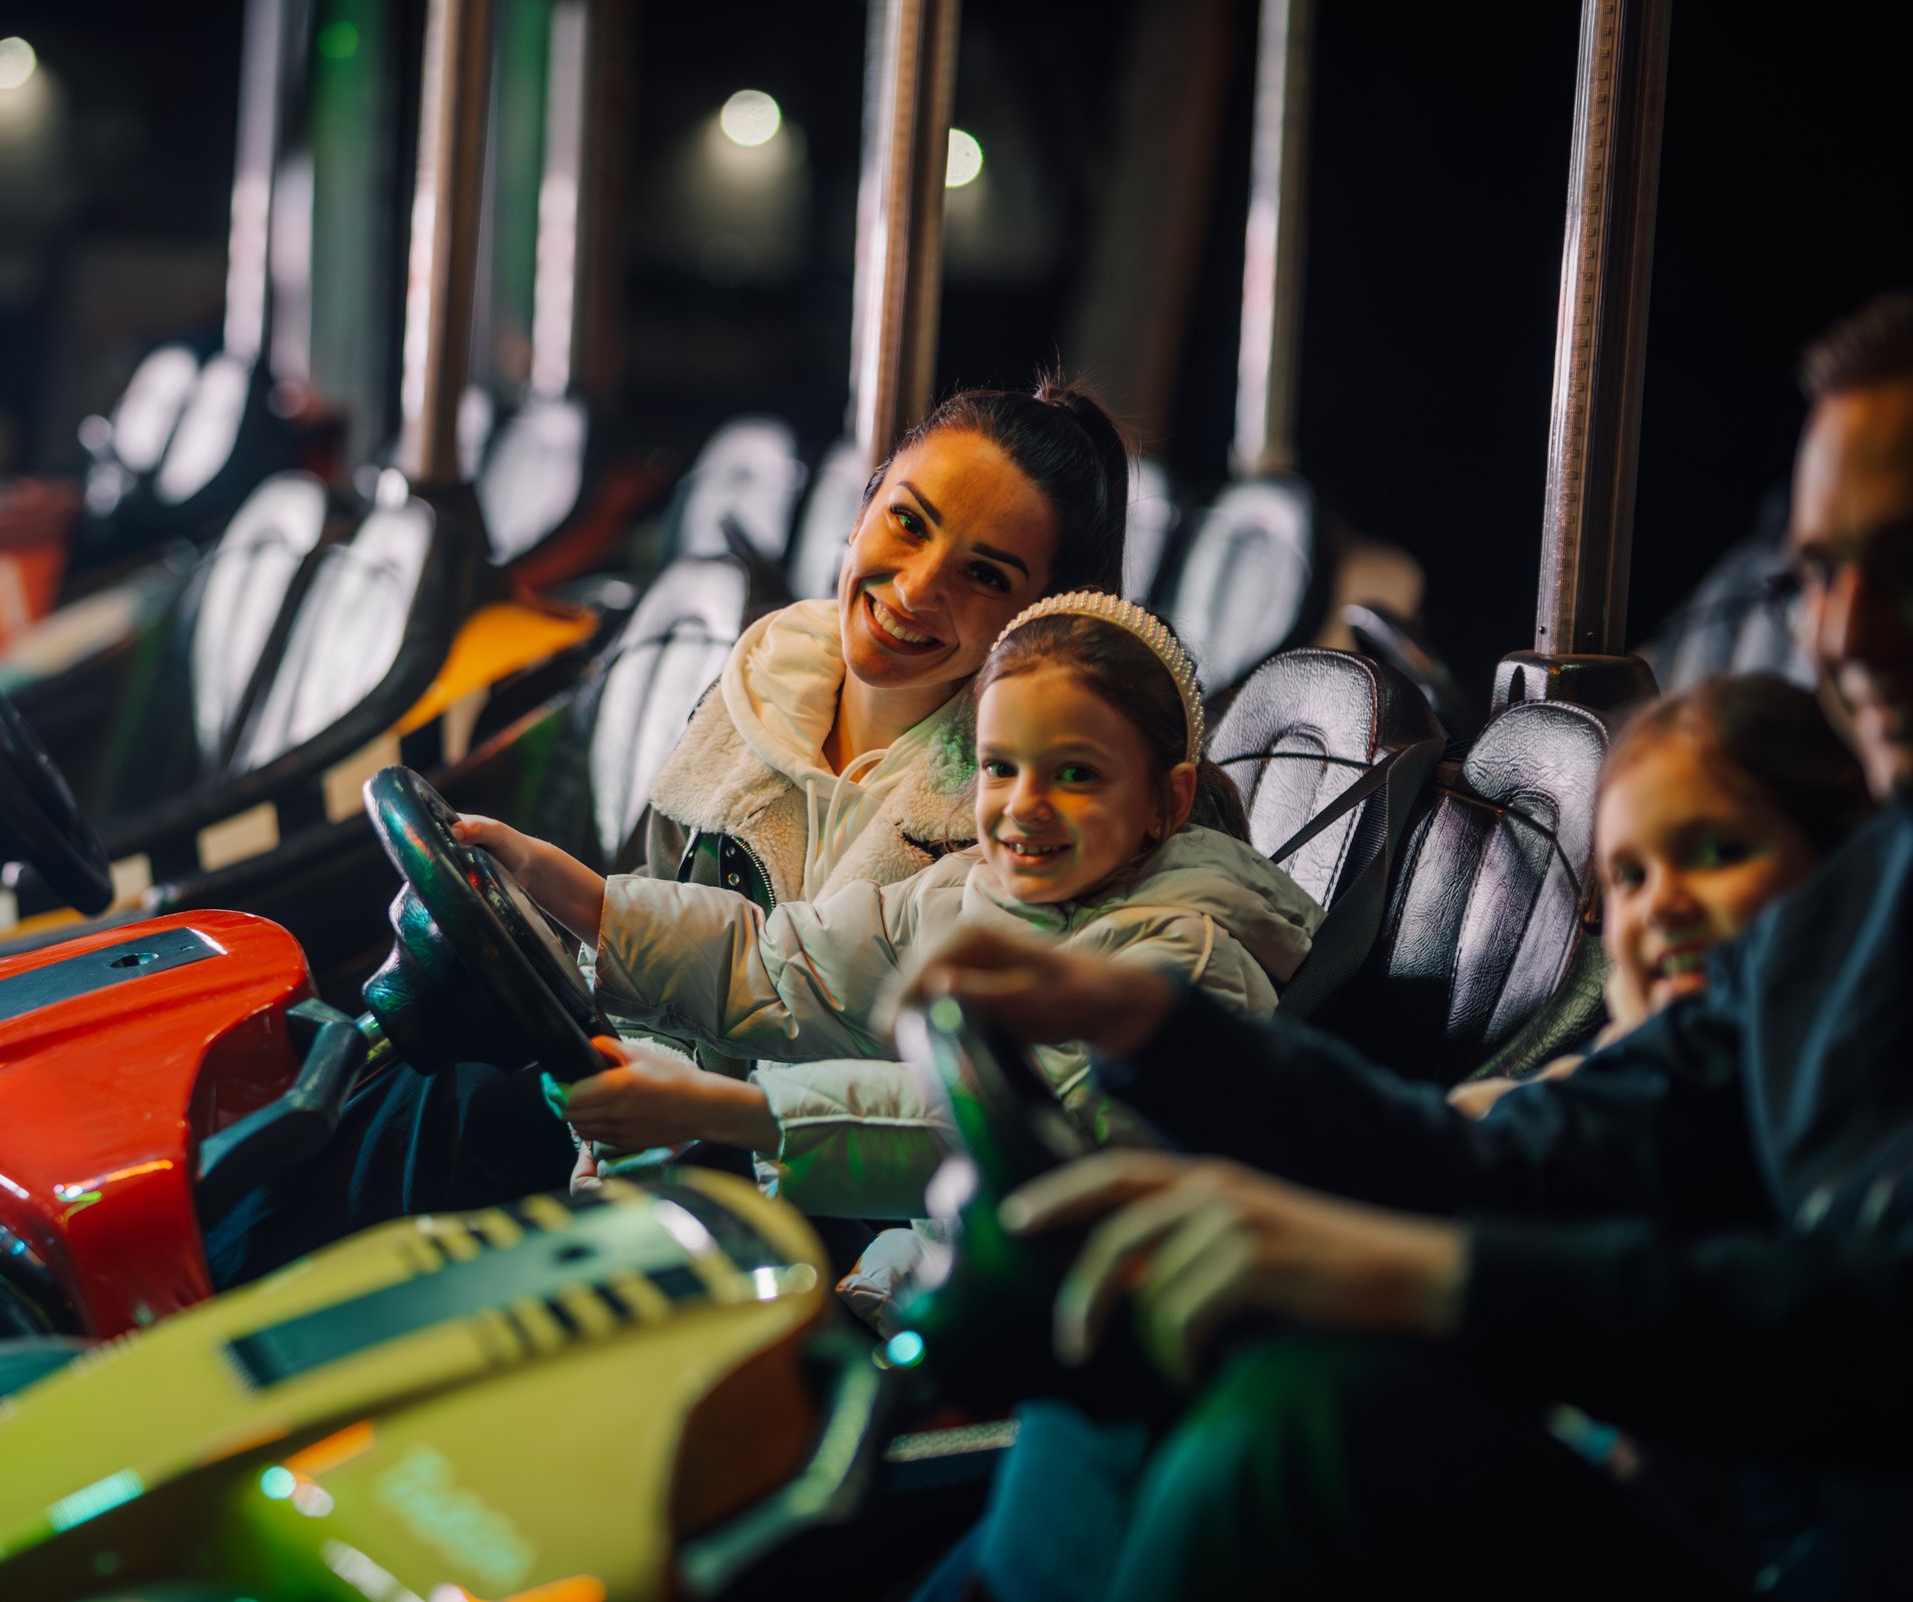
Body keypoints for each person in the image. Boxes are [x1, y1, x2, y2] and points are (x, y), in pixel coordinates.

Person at [908, 290, 1913, 1600]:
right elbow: (1515, 1161)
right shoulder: (1848, 923)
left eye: (1902, 566)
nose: (1842, 637)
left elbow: (1855, 1327)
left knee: (1302, 1436)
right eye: (1823, 573)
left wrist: (1426, 1278)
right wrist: (1152, 1029)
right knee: (1143, 1337)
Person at [206, 378, 1134, 1280]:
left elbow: (886, 1046)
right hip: (671, 1127)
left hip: (835, 1204)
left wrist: (701, 1109)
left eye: (982, 574)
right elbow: (665, 961)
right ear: (860, 512)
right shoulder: (760, 690)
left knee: (456, 1119)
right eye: (908, 520)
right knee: (421, 1091)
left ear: (1040, 621)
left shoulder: (1027, 814)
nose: (917, 587)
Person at [458, 593, 1318, 1239]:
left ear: (1166, 802)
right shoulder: (966, 891)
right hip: (934, 1271)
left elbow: (1017, 1125)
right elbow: (780, 966)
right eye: (1000, 768)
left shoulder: (1188, 957)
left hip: (1062, 1332)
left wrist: (731, 1113)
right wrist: (559, 885)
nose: (1025, 807)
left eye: (1077, 775)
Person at [1447, 673, 1870, 1118]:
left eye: (1719, 853)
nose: (1660, 906)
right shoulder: (1628, 1055)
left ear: (1848, 858)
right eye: (1630, 877)